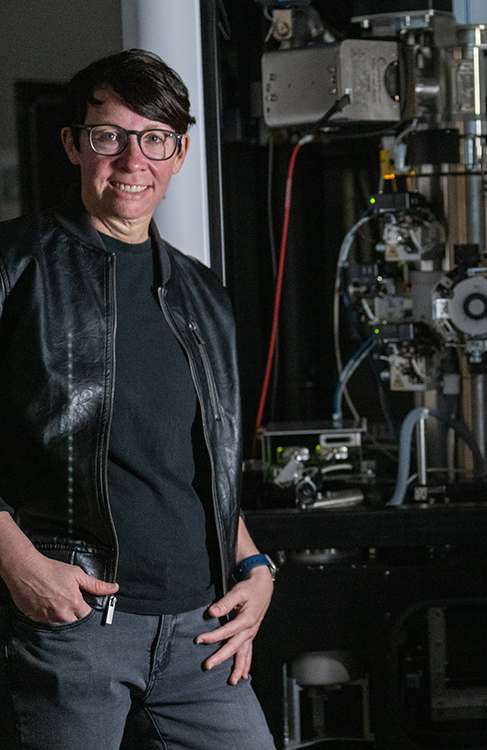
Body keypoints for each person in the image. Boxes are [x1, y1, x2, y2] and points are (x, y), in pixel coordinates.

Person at [0, 49, 276, 749]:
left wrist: (256, 567)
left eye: (154, 138)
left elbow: (193, 464)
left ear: (178, 153)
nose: (132, 160)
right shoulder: (16, 267)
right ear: (72, 144)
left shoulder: (202, 296)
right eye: (107, 136)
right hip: (75, 627)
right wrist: (20, 567)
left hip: (201, 631)